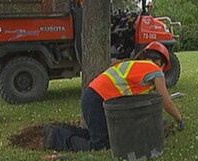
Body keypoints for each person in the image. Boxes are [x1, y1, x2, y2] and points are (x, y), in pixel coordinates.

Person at [44, 41, 185, 151]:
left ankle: (58, 130)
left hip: (93, 97)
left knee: (101, 136)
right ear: (162, 63)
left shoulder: (135, 66)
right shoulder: (155, 70)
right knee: (100, 145)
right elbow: (166, 102)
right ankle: (56, 137)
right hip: (97, 100)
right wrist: (179, 119)